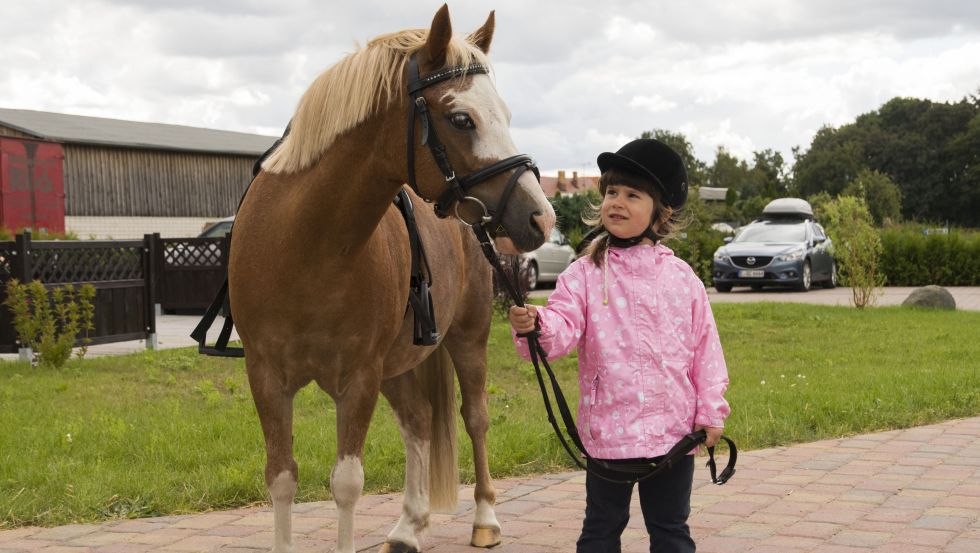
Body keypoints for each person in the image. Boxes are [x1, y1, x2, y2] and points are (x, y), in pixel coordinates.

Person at [509, 138, 730, 553]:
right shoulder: (585, 275)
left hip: (673, 435)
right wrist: (536, 325)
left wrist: (710, 412)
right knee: (600, 533)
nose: (617, 202)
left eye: (632, 194)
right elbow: (561, 326)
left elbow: (706, 353)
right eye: (612, 192)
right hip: (609, 433)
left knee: (671, 531)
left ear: (660, 211)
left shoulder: (682, 280)